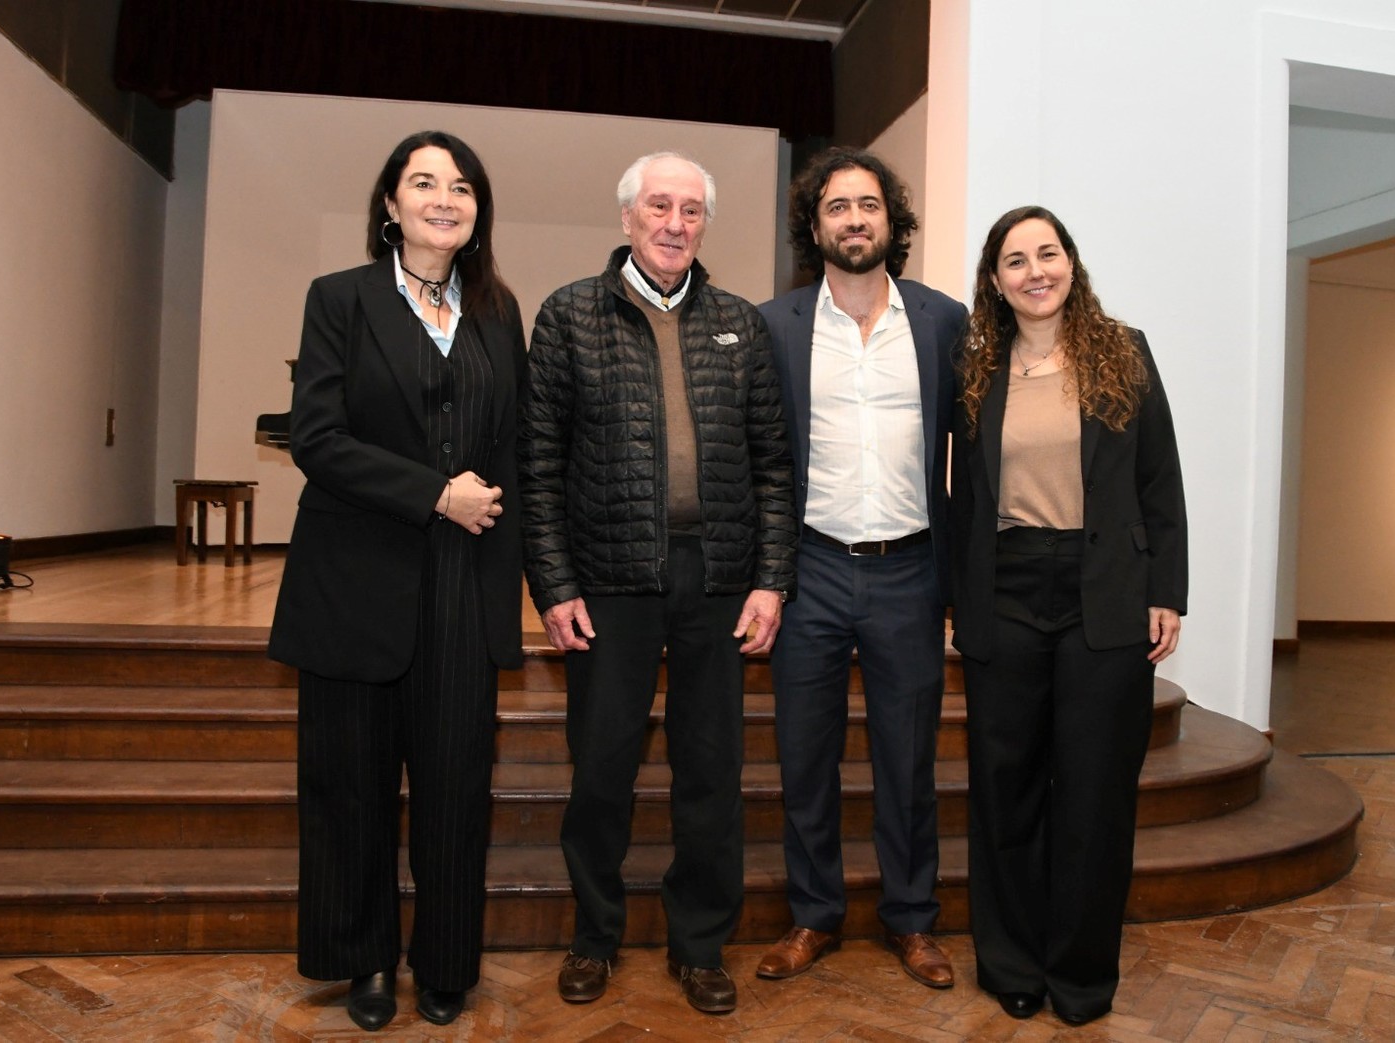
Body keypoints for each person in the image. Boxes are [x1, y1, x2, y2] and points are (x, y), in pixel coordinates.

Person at [518, 151, 796, 1016]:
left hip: (717, 582)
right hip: (607, 580)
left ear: (704, 223)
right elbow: (537, 466)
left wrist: (771, 579)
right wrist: (554, 584)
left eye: (690, 210)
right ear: (628, 218)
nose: (675, 223)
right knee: (601, 767)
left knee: (710, 774)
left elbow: (774, 470)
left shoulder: (740, 325)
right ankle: (593, 937)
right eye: (658, 206)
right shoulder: (569, 316)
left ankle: (699, 943)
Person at [268, 131, 526, 1032]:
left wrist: (523, 583)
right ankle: (366, 958)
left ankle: (445, 961)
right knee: (351, 786)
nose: (444, 198)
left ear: (476, 209)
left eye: (461, 186)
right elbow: (318, 439)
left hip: (463, 583)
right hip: (355, 581)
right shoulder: (338, 300)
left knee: (457, 787)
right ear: (389, 203)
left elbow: (512, 452)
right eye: (424, 183)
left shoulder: (499, 312)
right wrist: (432, 493)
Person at [950, 205, 1188, 1026]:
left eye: (1046, 253)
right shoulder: (975, 369)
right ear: (994, 281)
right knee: (1004, 787)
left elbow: (1160, 481)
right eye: (1014, 260)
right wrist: (957, 598)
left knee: (1093, 795)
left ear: (1070, 263)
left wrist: (1168, 590)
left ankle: (1082, 974)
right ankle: (1011, 963)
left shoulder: (1123, 352)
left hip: (1105, 594)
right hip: (1006, 590)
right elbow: (962, 500)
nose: (1033, 271)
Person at [754, 147, 966, 989]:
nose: (853, 219)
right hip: (807, 568)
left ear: (891, 221)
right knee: (803, 757)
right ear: (815, 226)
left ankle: (912, 920)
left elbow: (972, 452)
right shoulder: (777, 325)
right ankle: (813, 916)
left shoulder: (943, 320)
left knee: (906, 760)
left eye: (867, 205)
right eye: (836, 206)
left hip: (910, 571)